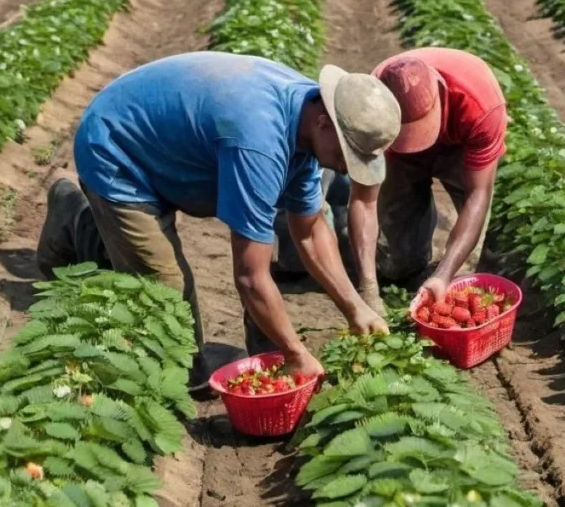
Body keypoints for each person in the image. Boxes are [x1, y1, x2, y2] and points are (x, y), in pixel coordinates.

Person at [36, 51, 401, 392]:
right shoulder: (258, 140)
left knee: (149, 253)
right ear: (324, 124)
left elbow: (309, 230)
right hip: (117, 148)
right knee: (166, 294)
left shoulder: (307, 122)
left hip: (177, 152)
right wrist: (295, 353)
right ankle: (77, 216)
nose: (344, 167)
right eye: (346, 156)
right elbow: (249, 277)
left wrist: (355, 306)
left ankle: (93, 224)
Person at [349, 48, 508, 310]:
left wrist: (444, 275)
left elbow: (477, 194)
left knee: (460, 278)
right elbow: (364, 199)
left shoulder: (480, 105)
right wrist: (368, 288)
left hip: (461, 144)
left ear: (440, 96)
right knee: (394, 265)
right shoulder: (374, 104)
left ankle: (445, 275)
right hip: (395, 150)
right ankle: (414, 240)